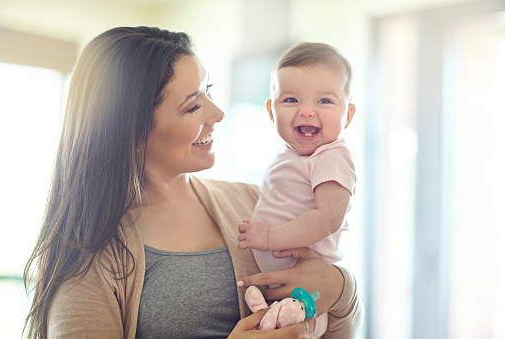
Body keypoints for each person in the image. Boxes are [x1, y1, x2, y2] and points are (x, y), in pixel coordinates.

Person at [22, 27, 363, 338]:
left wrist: (339, 287)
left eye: (209, 91)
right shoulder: (85, 250)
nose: (217, 113)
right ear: (132, 128)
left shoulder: (255, 203)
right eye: (193, 105)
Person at [237, 42, 357, 338]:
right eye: (291, 100)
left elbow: (328, 218)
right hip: (285, 287)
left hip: (311, 290)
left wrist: (268, 237)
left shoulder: (331, 156)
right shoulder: (288, 153)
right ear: (270, 110)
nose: (306, 111)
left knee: (295, 330)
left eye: (324, 102)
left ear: (348, 115)